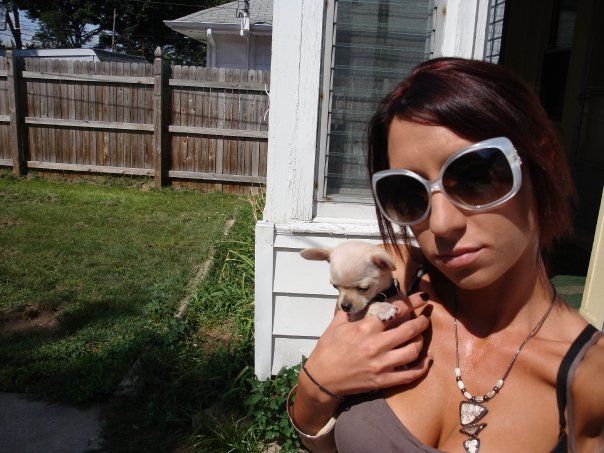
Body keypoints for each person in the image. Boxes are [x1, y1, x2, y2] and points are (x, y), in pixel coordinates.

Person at [286, 58, 604, 452]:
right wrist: (316, 388)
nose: (440, 223)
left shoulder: (588, 381)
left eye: (474, 177)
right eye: (408, 193)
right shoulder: (390, 292)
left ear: (541, 163)